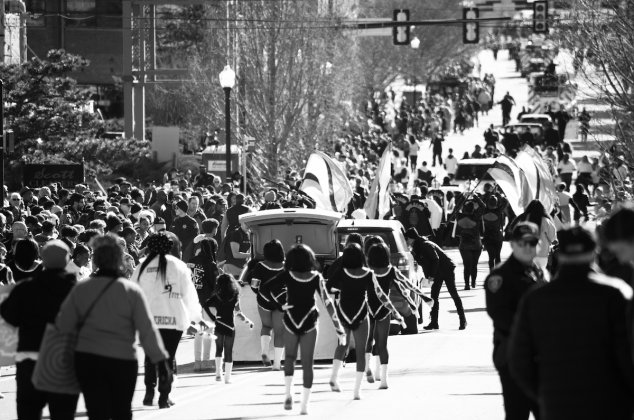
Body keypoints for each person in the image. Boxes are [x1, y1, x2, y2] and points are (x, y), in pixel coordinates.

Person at [509, 227, 634, 420]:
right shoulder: (615, 294)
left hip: (556, 403)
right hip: (610, 404)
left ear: (560, 255)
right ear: (594, 251)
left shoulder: (535, 299)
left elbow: (519, 359)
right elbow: (628, 352)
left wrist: (543, 393)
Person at [55, 235, 170, 420]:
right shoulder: (131, 291)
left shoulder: (81, 289)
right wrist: (162, 365)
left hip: (88, 360)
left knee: (96, 412)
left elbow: (63, 327)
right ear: (119, 260)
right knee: (122, 411)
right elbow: (147, 332)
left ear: (96, 260)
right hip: (122, 361)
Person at [0, 241, 78, 420]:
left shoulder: (25, 288)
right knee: (63, 413)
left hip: (29, 357)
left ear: (42, 259)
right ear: (67, 260)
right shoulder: (76, 290)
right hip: (63, 358)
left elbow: (9, 316)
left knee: (28, 412)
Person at [265, 244, 345, 415]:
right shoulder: (316, 277)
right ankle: (304, 405)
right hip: (310, 321)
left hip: (290, 320)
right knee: (308, 364)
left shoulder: (287, 274)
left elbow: (266, 288)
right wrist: (338, 326)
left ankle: (288, 393)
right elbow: (327, 302)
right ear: (310, 258)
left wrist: (280, 305)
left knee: (290, 358)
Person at [132, 232, 204, 409]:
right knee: (168, 358)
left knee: (150, 356)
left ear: (149, 247)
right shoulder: (179, 266)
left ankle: (149, 391)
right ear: (170, 247)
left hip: (149, 320)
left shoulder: (141, 267)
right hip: (174, 319)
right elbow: (189, 295)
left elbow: (132, 292)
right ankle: (164, 397)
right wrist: (196, 317)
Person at [484, 222, 546, 420]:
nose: (527, 247)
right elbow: (500, 314)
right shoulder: (500, 276)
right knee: (517, 413)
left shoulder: (537, 271)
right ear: (512, 244)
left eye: (532, 242)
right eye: (522, 243)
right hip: (513, 354)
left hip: (541, 356)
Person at [328, 244, 404, 399]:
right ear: (361, 257)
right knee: (361, 351)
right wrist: (396, 313)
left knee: (342, 346)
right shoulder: (368, 274)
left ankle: (334, 378)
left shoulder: (341, 272)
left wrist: (341, 289)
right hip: (361, 314)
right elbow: (381, 295)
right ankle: (357, 390)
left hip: (343, 313)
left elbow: (328, 288)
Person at [365, 242, 431, 388]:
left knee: (368, 341)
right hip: (385, 309)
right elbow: (407, 284)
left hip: (368, 309)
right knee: (382, 344)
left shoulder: (367, 271)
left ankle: (367, 368)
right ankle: (383, 378)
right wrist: (424, 298)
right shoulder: (390, 270)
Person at [405, 228, 466, 330]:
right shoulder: (417, 247)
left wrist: (431, 276)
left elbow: (435, 259)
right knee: (434, 297)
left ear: (411, 239)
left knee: (453, 293)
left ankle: (462, 320)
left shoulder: (425, 245)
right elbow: (423, 262)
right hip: (437, 272)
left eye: (407, 239)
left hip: (446, 269)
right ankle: (434, 322)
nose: (406, 241)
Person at [242, 239, 286, 370]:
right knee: (280, 332)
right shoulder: (286, 266)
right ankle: (277, 364)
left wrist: (261, 293)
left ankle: (265, 352)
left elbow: (254, 286)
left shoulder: (260, 266)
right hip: (280, 302)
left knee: (266, 327)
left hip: (263, 301)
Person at [205, 273, 254, 384]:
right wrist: (248, 321)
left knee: (218, 349)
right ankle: (227, 378)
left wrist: (212, 317)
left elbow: (205, 304)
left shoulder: (216, 296)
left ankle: (218, 374)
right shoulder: (235, 295)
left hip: (219, 324)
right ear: (232, 283)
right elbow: (238, 313)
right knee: (228, 351)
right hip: (230, 326)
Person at [187, 236, 218, 372]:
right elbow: (214, 285)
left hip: (193, 301)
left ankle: (197, 362)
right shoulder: (211, 264)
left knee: (198, 333)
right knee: (208, 332)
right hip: (208, 302)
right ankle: (206, 361)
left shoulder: (191, 262)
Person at [509, 200, 557, 272]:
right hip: (542, 254)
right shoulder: (546, 221)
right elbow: (552, 238)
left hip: (524, 253)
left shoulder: (523, 218)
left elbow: (514, 233)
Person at [454, 200, 483, 290]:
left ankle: (467, 284)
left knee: (467, 265)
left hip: (464, 245)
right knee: (474, 265)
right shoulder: (476, 216)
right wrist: (476, 198)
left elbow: (456, 208)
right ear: (473, 209)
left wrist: (462, 198)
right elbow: (483, 207)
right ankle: (473, 282)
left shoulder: (459, 216)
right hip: (476, 244)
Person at [482, 196, 505, 270]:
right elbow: (505, 202)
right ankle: (498, 273)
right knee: (497, 256)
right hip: (497, 237)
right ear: (496, 203)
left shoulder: (485, 210)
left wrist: (475, 196)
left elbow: (480, 203)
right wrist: (500, 196)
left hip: (487, 237)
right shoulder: (498, 211)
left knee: (491, 257)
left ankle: (491, 273)